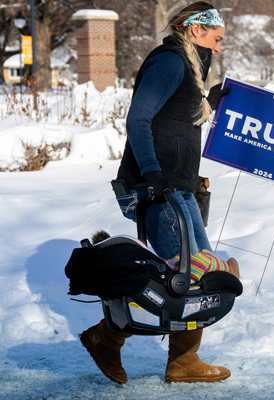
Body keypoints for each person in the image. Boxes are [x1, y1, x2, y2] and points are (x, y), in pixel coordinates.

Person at [80, 2, 234, 385]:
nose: (218, 48)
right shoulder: (170, 62)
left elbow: (175, 121)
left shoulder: (189, 66)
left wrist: (210, 100)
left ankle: (183, 360)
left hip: (178, 188)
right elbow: (139, 118)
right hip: (160, 189)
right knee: (180, 280)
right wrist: (151, 175)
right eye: (216, 39)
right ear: (196, 30)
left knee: (196, 276)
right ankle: (106, 338)